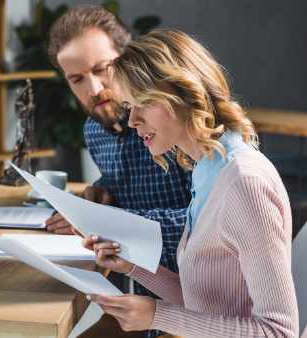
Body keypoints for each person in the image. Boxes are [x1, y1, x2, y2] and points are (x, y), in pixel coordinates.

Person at [83, 29, 298, 337]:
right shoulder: (206, 170)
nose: (132, 121)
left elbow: (278, 332)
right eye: (129, 106)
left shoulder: (244, 184)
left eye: (141, 103)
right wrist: (132, 266)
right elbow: (204, 303)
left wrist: (158, 316)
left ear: (178, 92)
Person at [44, 6, 191, 337]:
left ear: (128, 60)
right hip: (136, 302)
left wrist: (107, 221)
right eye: (77, 79)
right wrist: (99, 193)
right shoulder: (93, 131)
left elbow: (209, 226)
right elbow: (126, 183)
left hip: (195, 309)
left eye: (102, 69)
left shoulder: (171, 123)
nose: (94, 89)